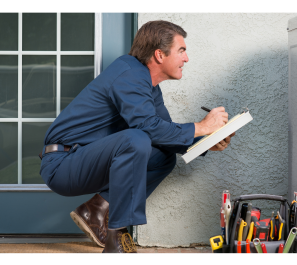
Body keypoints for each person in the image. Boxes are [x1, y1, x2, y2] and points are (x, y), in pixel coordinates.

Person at [40, 20, 234, 253]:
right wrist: (201, 126)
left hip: (84, 158)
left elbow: (164, 134)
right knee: (136, 139)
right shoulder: (129, 73)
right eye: (181, 51)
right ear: (160, 54)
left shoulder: (149, 85)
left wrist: (207, 141)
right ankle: (116, 239)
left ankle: (96, 209)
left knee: (163, 157)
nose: (186, 58)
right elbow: (148, 128)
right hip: (63, 163)